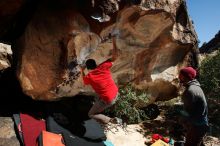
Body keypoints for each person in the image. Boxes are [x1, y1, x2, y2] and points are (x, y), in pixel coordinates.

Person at [81, 36, 119, 124]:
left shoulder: (89, 77)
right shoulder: (103, 67)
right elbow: (115, 56)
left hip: (108, 100)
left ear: (88, 68)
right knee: (97, 95)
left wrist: (82, 70)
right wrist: (114, 41)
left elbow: (84, 81)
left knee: (91, 114)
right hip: (115, 93)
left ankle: (110, 120)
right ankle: (102, 104)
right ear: (96, 64)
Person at [178, 67, 209, 146]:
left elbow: (188, 112)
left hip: (197, 126)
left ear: (186, 76)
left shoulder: (190, 91)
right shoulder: (196, 87)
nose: (178, 77)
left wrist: (181, 120)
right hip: (202, 124)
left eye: (180, 75)